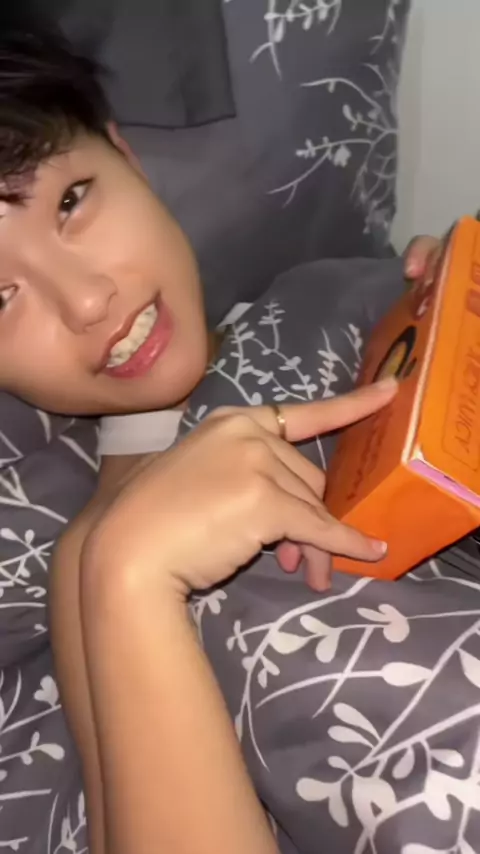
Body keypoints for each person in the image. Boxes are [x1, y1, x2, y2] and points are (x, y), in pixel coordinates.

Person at [0, 25, 442, 854]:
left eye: (70, 200)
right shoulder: (98, 558)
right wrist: (135, 576)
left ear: (126, 157)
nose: (88, 301)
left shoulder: (338, 296)